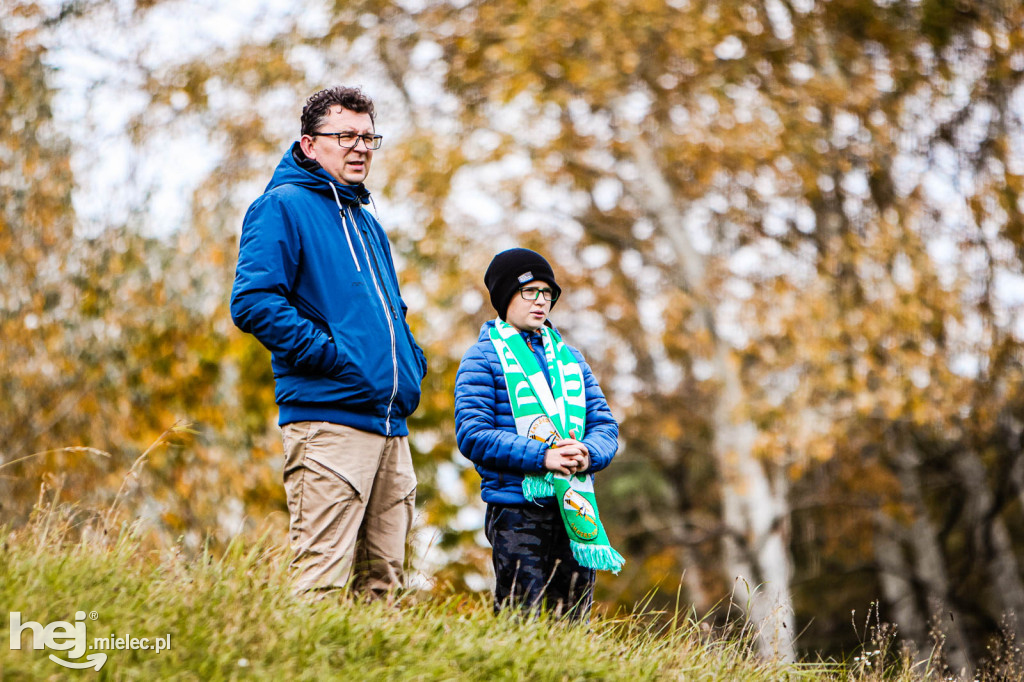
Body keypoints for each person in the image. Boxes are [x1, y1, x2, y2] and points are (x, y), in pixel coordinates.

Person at [230, 86, 426, 597]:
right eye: (345, 136)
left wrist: (412, 361)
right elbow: (253, 301)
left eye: (368, 137)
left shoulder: (367, 222)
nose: (359, 147)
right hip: (330, 420)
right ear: (310, 144)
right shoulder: (282, 207)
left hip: (391, 426)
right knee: (321, 582)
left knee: (385, 586)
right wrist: (332, 358)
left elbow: (391, 314)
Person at [454, 248, 620, 620]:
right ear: (504, 296)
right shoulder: (482, 358)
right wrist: (542, 455)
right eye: (530, 291)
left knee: (572, 621)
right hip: (516, 508)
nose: (541, 301)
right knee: (521, 618)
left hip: (575, 508)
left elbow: (605, 426)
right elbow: (473, 434)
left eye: (548, 293)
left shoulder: (572, 359)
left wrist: (587, 452)